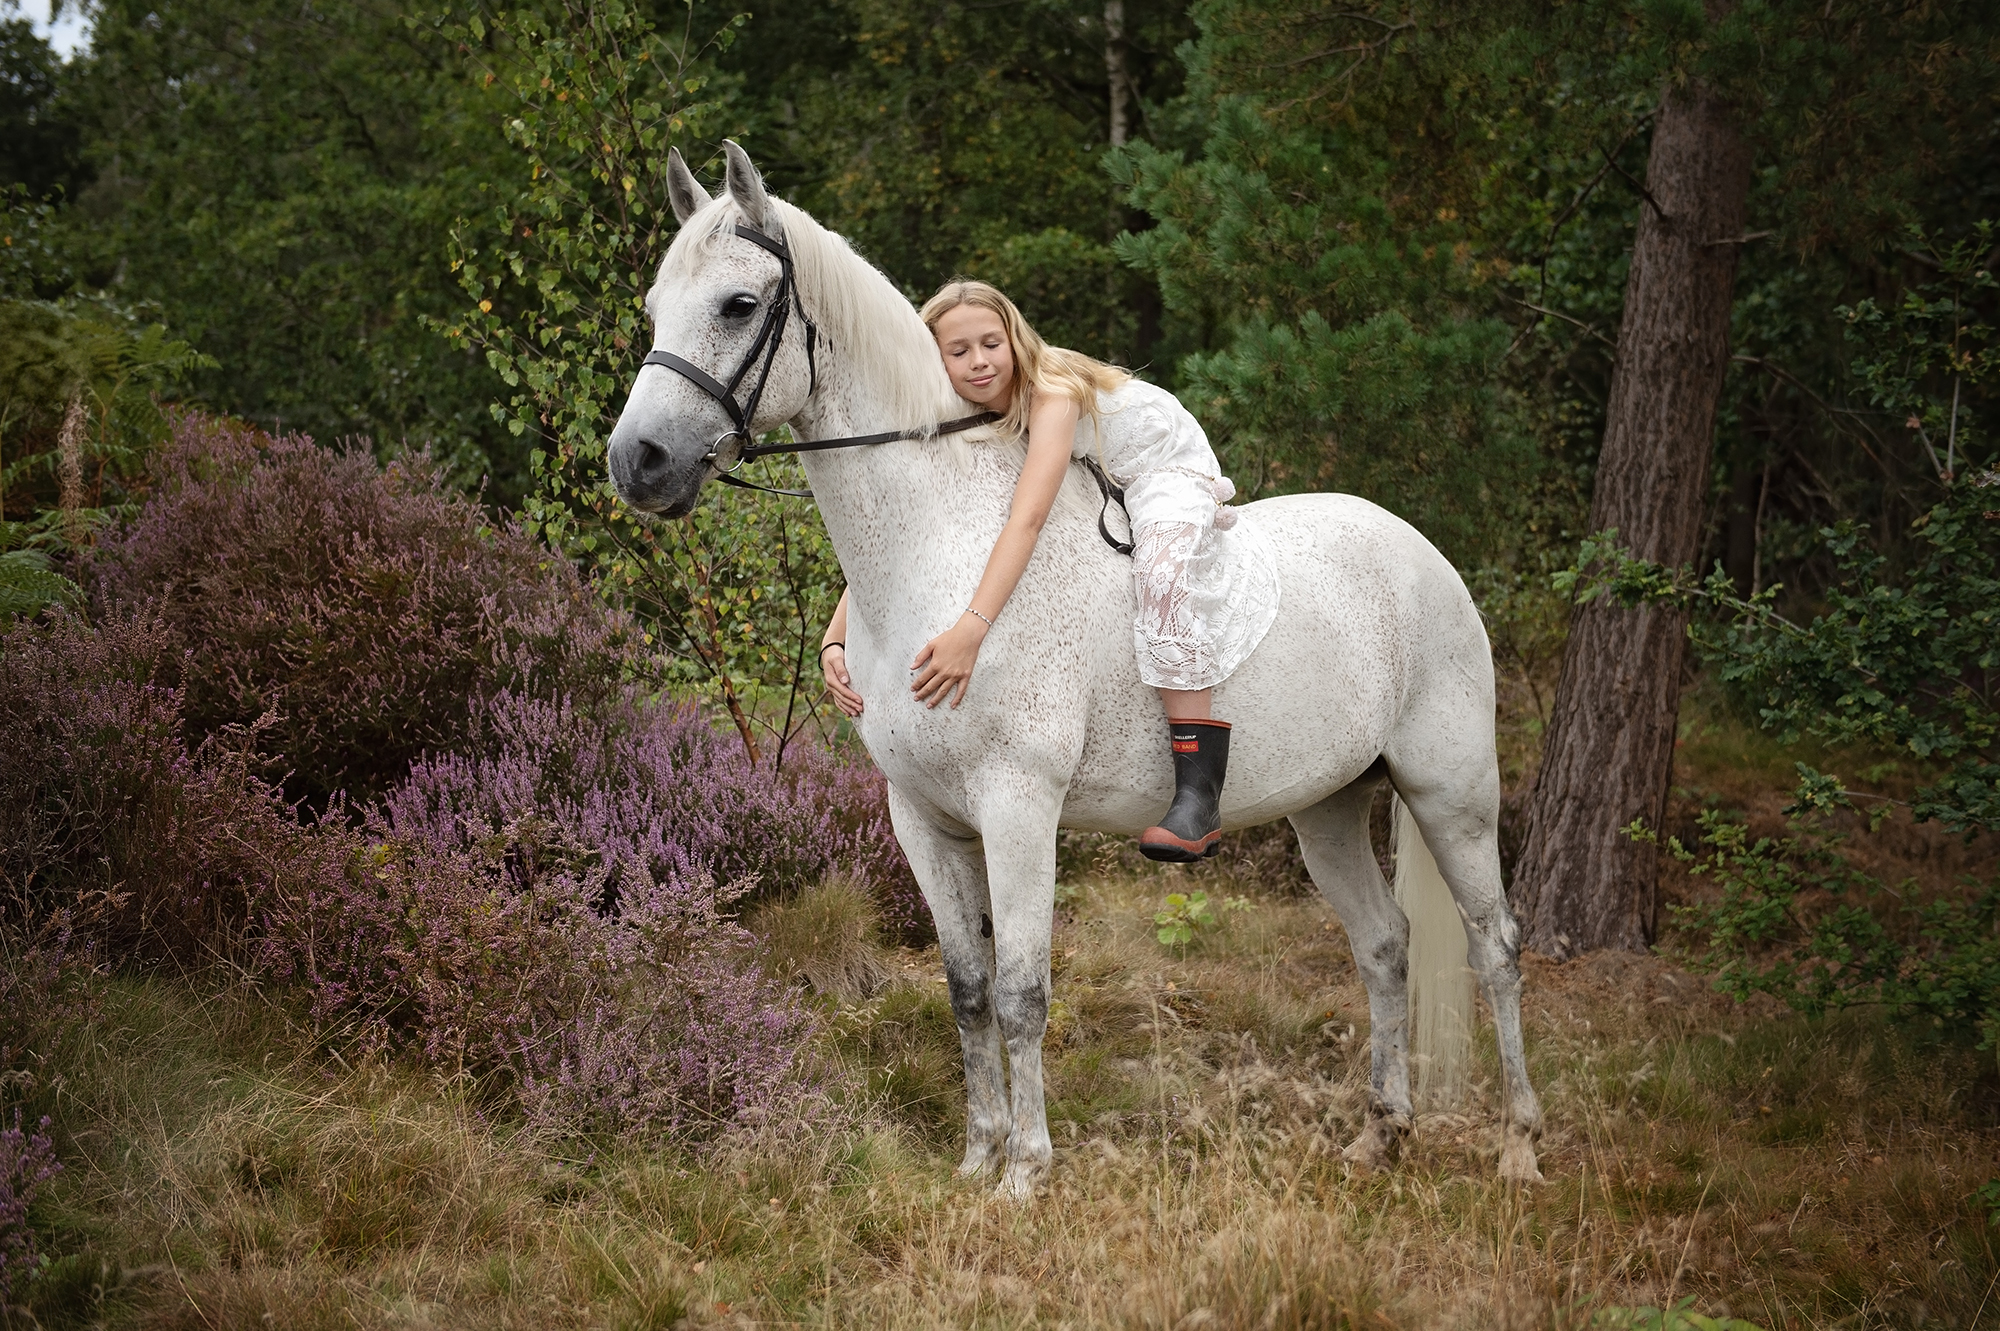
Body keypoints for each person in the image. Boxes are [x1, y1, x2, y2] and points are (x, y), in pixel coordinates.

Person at [818, 280, 1277, 862]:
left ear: (1014, 337)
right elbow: (913, 539)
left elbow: (1027, 520)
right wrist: (837, 636)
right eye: (958, 352)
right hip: (1092, 468)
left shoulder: (1051, 390)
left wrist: (973, 629)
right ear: (933, 358)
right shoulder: (950, 406)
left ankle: (1197, 797)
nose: (979, 361)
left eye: (992, 343)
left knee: (1163, 576)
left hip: (1158, 462)